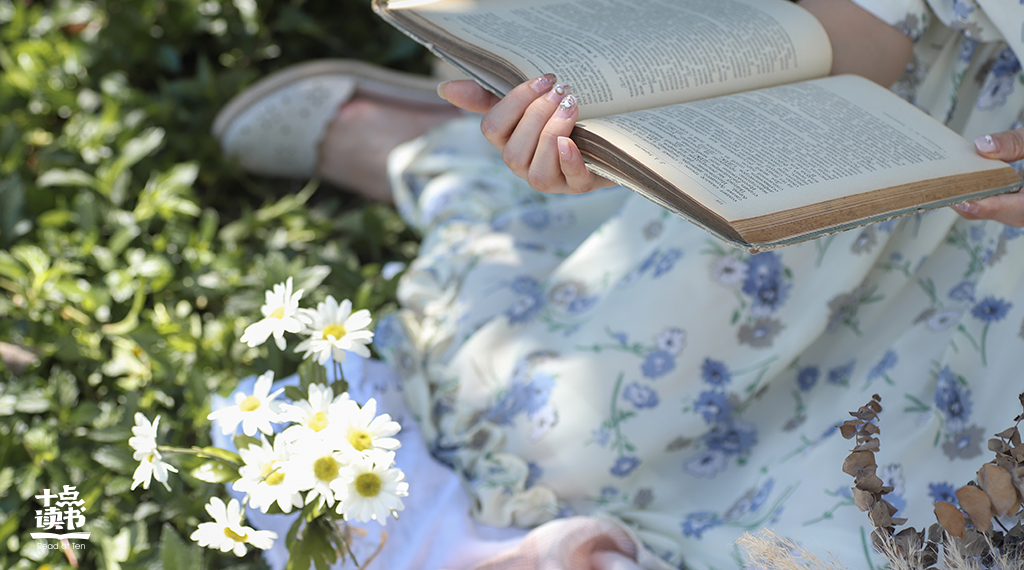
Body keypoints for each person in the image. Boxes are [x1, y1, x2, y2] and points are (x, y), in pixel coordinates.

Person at [214, 0, 1024, 567]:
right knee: (554, 434)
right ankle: (443, 157)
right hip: (908, 141)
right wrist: (628, 135)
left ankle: (441, 158)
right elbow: (879, 27)